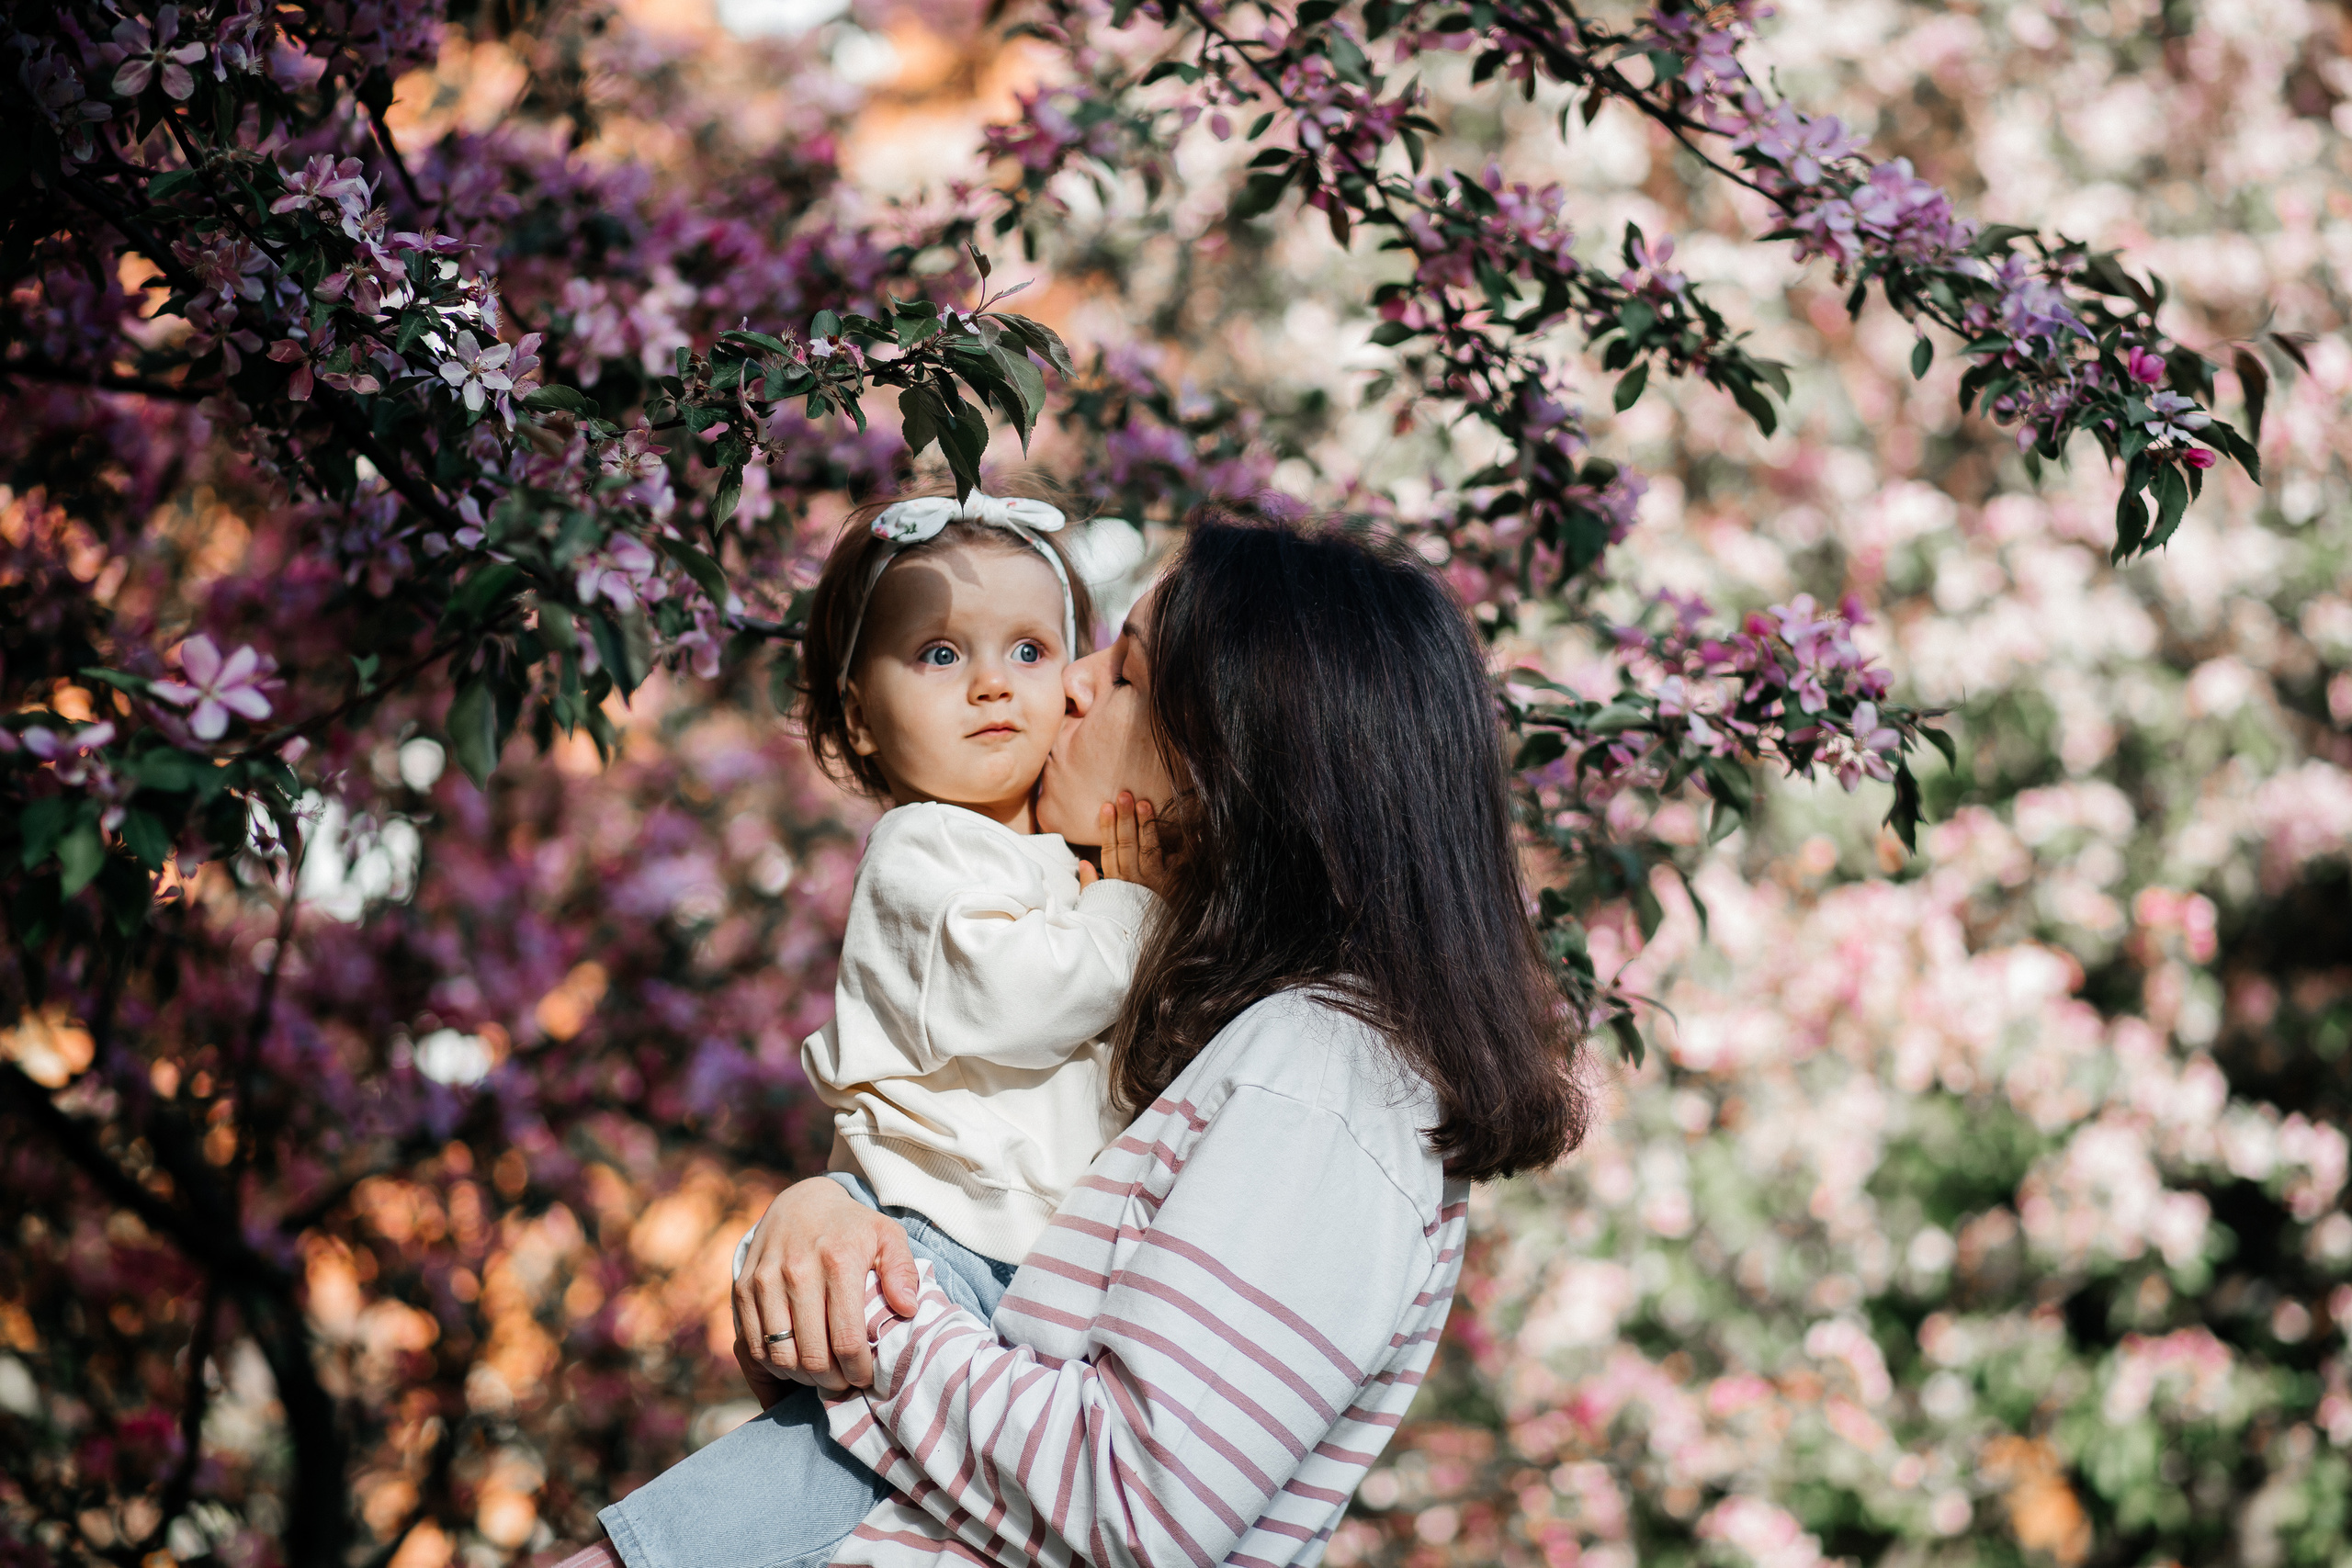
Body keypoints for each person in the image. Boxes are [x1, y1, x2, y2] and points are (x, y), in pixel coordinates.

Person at [589, 513, 1586, 1568]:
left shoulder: (1323, 1075)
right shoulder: (1233, 1033)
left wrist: (867, 1316)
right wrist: (830, 1210)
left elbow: (1135, 1506)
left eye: (1120, 675)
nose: (1062, 684)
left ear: (1233, 760)